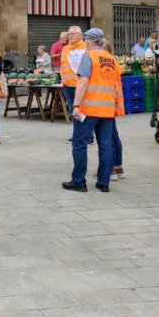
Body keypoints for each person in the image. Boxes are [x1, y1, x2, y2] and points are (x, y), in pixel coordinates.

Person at [62, 28, 122, 193]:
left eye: (86, 40)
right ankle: (104, 182)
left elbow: (82, 83)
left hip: (89, 109)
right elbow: (117, 87)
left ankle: (79, 181)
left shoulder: (89, 57)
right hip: (107, 110)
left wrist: (75, 106)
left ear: (88, 40)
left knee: (79, 143)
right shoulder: (112, 59)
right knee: (105, 145)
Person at [60, 26, 90, 144]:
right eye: (69, 34)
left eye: (72, 34)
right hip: (67, 85)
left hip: (80, 85)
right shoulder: (66, 48)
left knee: (83, 111)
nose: (70, 36)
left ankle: (88, 137)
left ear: (80, 35)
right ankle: (77, 135)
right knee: (74, 112)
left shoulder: (85, 47)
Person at [103, 39, 125, 181]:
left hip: (103, 103)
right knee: (113, 134)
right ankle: (118, 167)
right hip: (112, 101)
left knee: (107, 137)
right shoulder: (114, 62)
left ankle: (110, 169)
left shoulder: (105, 63)